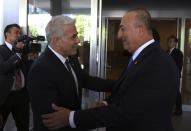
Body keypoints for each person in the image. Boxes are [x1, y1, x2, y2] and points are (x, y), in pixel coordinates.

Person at [41, 8, 180, 131]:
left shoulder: (156, 64)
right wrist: (106, 103)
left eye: (123, 28)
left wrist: (72, 118)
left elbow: (126, 112)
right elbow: (127, 89)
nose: (119, 35)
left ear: (141, 29)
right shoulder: (142, 57)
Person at [27, 16, 114, 131]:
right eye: (73, 37)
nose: (78, 40)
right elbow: (53, 119)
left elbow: (86, 80)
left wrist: (121, 83)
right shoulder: (41, 69)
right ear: (56, 41)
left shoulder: (71, 58)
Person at [0, 24, 31, 131]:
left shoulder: (24, 51)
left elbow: (28, 70)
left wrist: (31, 59)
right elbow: (4, 69)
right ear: (7, 34)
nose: (19, 35)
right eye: (16, 32)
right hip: (5, 95)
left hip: (22, 95)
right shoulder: (1, 50)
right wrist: (17, 54)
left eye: (20, 33)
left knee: (23, 126)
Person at [167, 35, 183, 115]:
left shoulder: (178, 53)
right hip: (167, 77)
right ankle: (169, 109)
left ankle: (179, 110)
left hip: (174, 77)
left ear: (175, 43)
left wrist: (174, 76)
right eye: (168, 41)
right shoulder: (166, 52)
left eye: (171, 41)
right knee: (168, 93)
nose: (169, 43)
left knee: (176, 93)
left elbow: (179, 66)